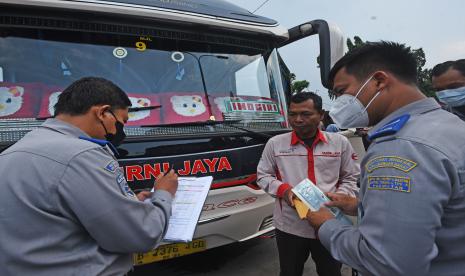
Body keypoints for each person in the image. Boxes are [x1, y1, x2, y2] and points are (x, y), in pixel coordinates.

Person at [306, 42, 465, 275]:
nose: (338, 103)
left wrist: (326, 225)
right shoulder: (449, 125)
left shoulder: (401, 146)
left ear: (379, 81)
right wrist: (361, 205)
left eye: (341, 92)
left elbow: (385, 262)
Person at [0, 77, 178, 275]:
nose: (120, 132)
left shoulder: (14, 151)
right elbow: (141, 235)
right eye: (122, 122)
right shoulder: (83, 155)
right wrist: (164, 194)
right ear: (102, 113)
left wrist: (127, 202)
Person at [257, 92, 360, 276]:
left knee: (330, 272)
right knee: (289, 272)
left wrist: (339, 197)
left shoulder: (340, 143)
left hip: (329, 223)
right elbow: (263, 175)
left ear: (321, 115)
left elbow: (351, 175)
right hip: (290, 226)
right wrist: (284, 190)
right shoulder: (275, 144)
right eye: (292, 114)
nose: (297, 120)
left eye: (305, 114)